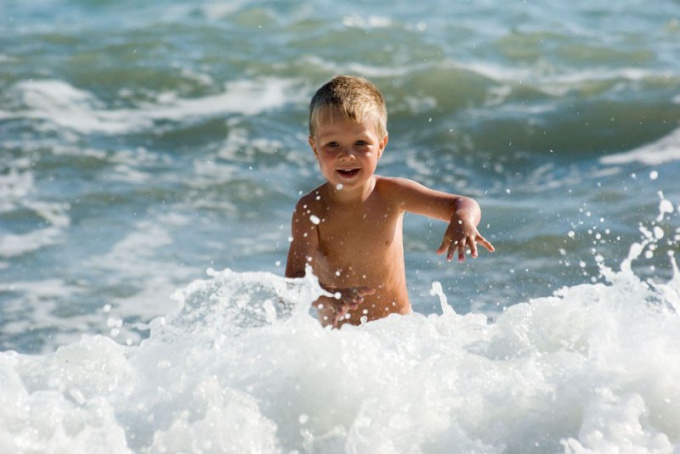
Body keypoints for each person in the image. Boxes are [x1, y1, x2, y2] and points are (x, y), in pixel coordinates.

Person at [285, 75, 494, 328]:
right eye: (332, 145)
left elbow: (462, 203)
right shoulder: (311, 209)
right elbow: (295, 280)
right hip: (340, 347)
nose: (347, 155)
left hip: (399, 335)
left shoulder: (392, 194)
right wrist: (327, 295)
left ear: (381, 145)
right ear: (315, 148)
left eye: (361, 143)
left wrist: (463, 219)